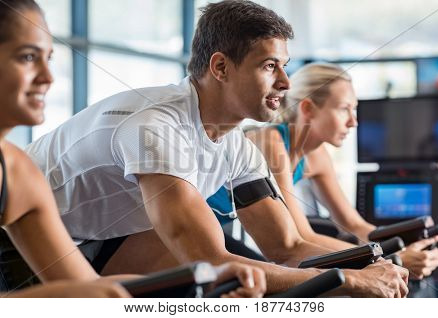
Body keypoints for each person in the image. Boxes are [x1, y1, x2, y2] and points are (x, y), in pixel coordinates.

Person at [26, 0, 408, 297]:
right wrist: (353, 283)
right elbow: (210, 260)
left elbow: (286, 245)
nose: (286, 83)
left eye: (285, 66)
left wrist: (376, 266)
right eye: (270, 66)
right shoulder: (156, 126)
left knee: (244, 286)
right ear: (221, 67)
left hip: (98, 238)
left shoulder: (236, 146)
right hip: (20, 241)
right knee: (222, 281)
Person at [0, 0, 265, 298]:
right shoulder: (154, 122)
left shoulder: (20, 171)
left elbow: (86, 286)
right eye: (26, 57)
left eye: (47, 59)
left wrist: (203, 278)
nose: (48, 78)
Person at [209, 62, 438, 279]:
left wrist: (405, 248)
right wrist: (391, 259)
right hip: (198, 231)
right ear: (309, 108)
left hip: (220, 231)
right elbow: (301, 238)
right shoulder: (271, 142)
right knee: (264, 284)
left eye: (355, 109)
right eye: (344, 109)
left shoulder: (317, 155)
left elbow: (355, 225)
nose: (354, 121)